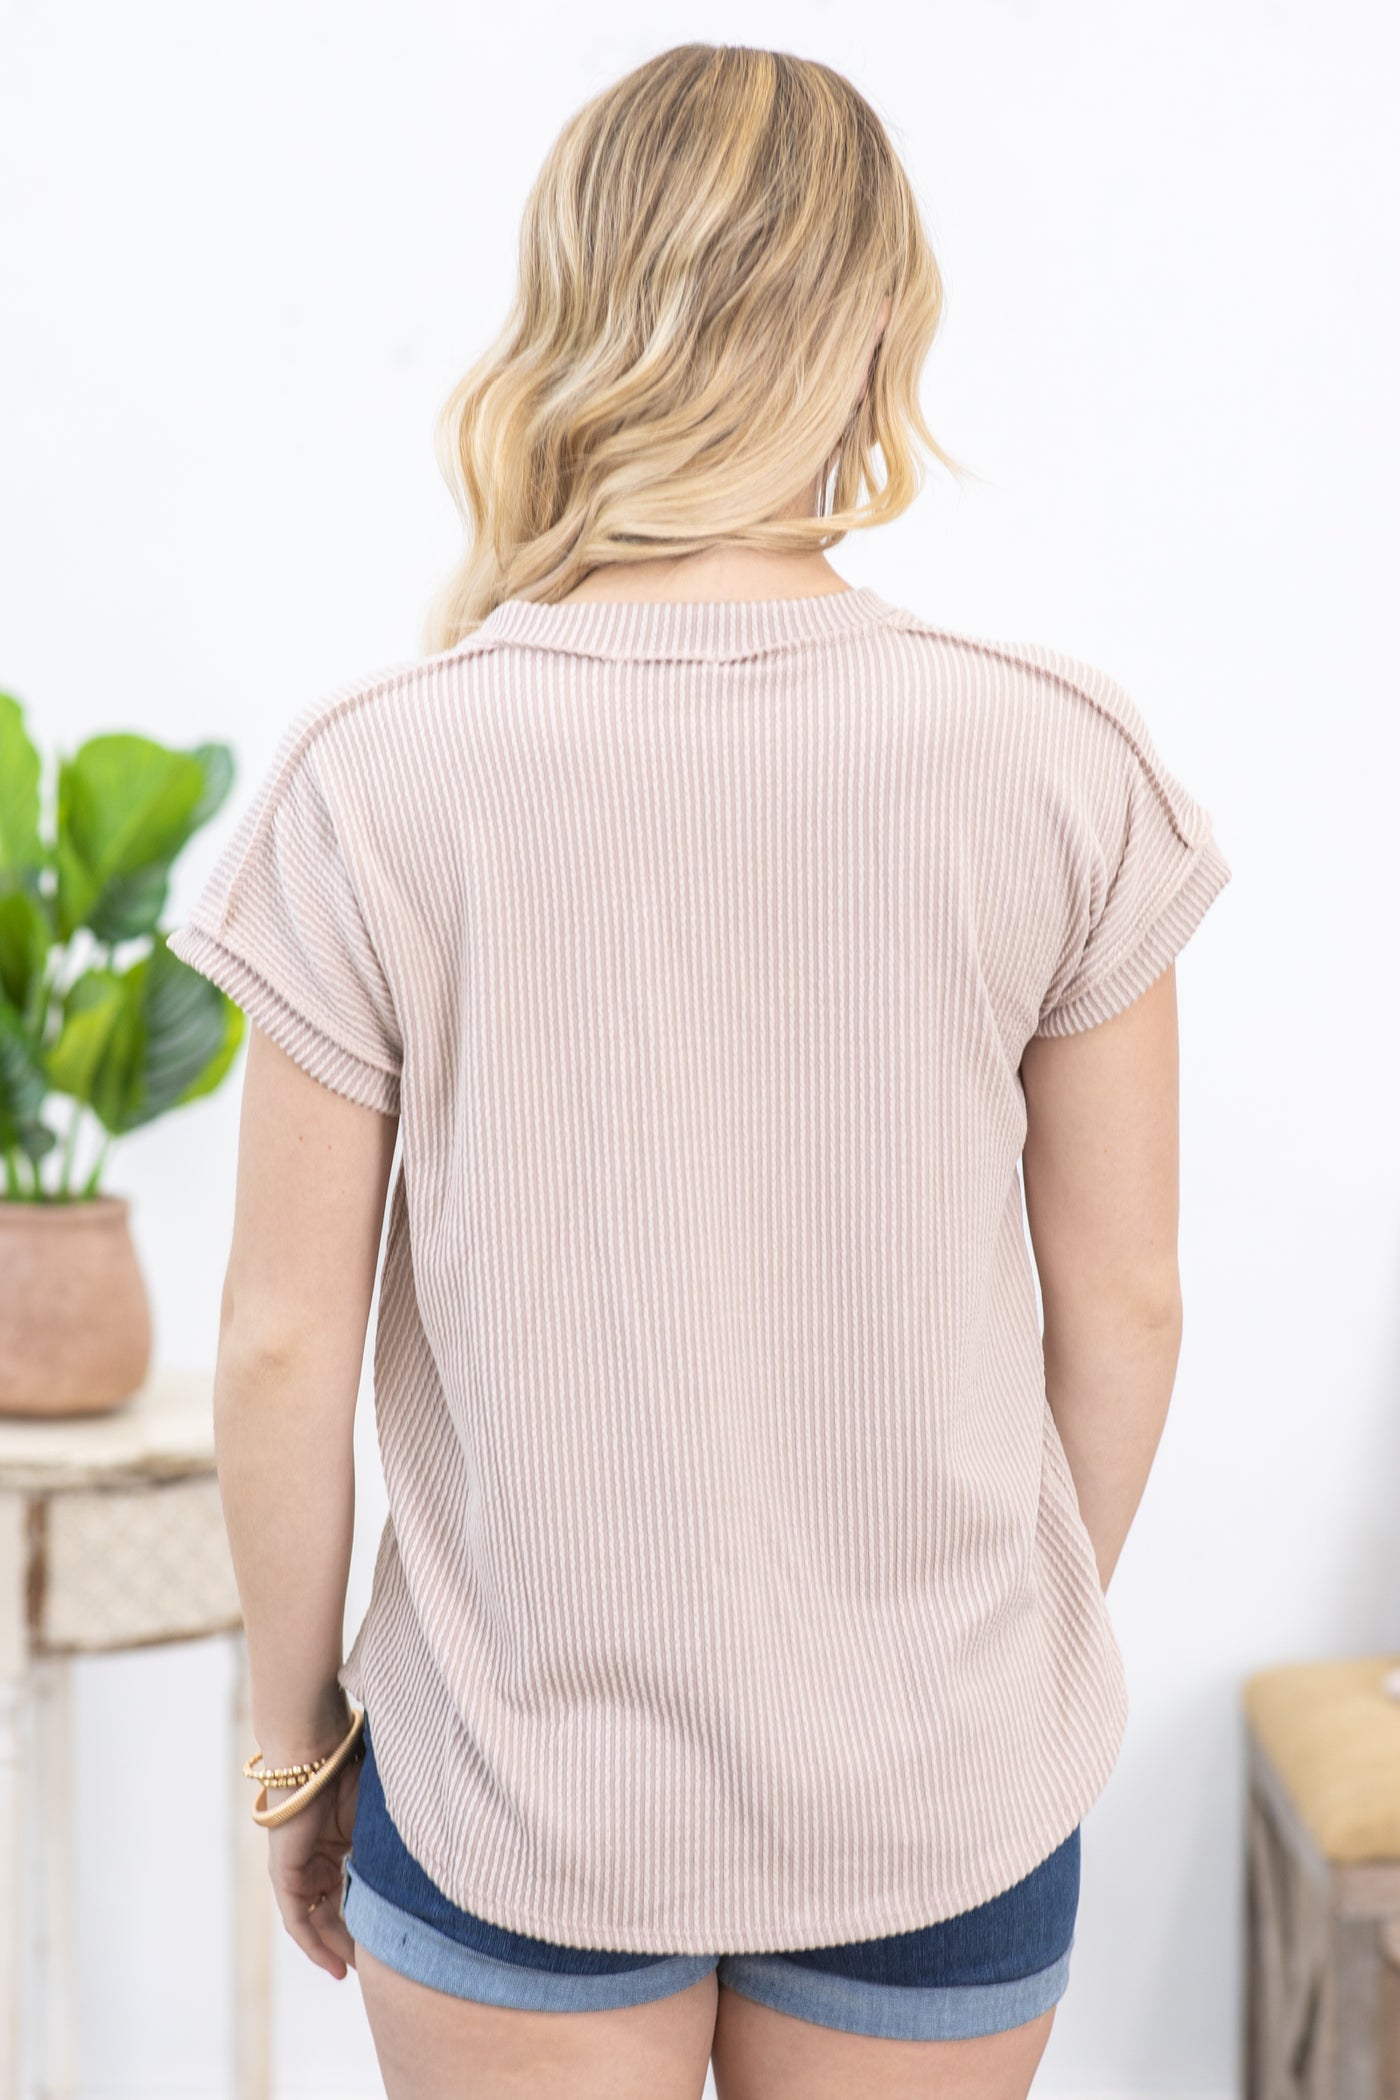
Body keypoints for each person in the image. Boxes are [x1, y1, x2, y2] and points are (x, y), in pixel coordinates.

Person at [168, 41, 1232, 2100]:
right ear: (881, 326)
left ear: (570, 307)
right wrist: (972, 1676)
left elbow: (283, 1341)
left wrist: (295, 1752)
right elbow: (1128, 1300)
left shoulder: (380, 778)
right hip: (942, 1782)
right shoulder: (1055, 758)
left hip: (512, 1795)